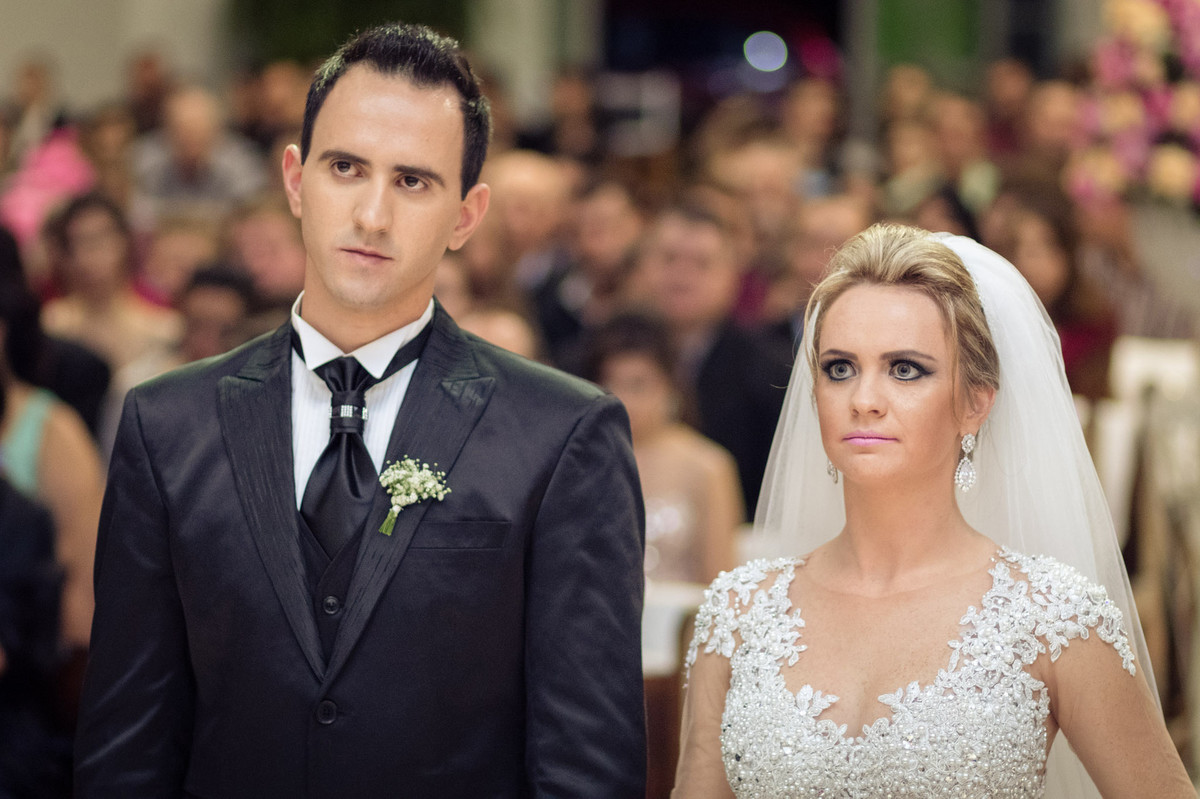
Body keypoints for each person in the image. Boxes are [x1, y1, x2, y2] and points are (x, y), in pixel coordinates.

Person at [75, 22, 646, 798]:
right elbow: (126, 746)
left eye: (413, 181)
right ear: (295, 179)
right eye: (346, 167)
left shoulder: (563, 434)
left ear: (468, 216)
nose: (373, 214)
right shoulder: (166, 425)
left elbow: (587, 763)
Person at [671, 224, 1193, 797]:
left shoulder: (1056, 619)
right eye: (839, 368)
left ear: (974, 403)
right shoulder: (736, 614)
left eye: (905, 369)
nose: (864, 400)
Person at [583, 312, 742, 585]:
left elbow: (720, 580)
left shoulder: (708, 465)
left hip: (680, 622)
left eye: (638, 386)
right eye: (611, 385)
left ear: (669, 387)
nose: (623, 400)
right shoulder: (584, 460)